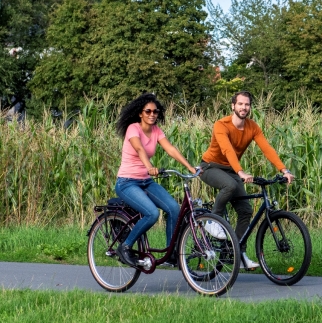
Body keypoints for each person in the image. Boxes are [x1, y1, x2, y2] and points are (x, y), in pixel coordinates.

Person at [200, 91, 294, 270]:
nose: (244, 107)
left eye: (247, 104)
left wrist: (284, 170)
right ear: (233, 106)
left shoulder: (252, 127)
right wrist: (241, 172)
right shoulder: (222, 125)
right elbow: (227, 150)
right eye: (240, 104)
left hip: (231, 170)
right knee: (230, 184)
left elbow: (267, 149)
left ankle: (238, 253)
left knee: (245, 211)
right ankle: (211, 221)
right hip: (210, 167)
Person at [113, 93, 197, 267]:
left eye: (155, 112)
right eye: (148, 111)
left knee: (174, 209)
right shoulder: (133, 128)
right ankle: (126, 246)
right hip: (127, 182)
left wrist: (190, 167)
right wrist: (149, 166)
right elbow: (139, 148)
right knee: (152, 214)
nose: (152, 114)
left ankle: (171, 253)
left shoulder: (157, 130)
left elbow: (170, 149)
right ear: (140, 113)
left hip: (145, 182)